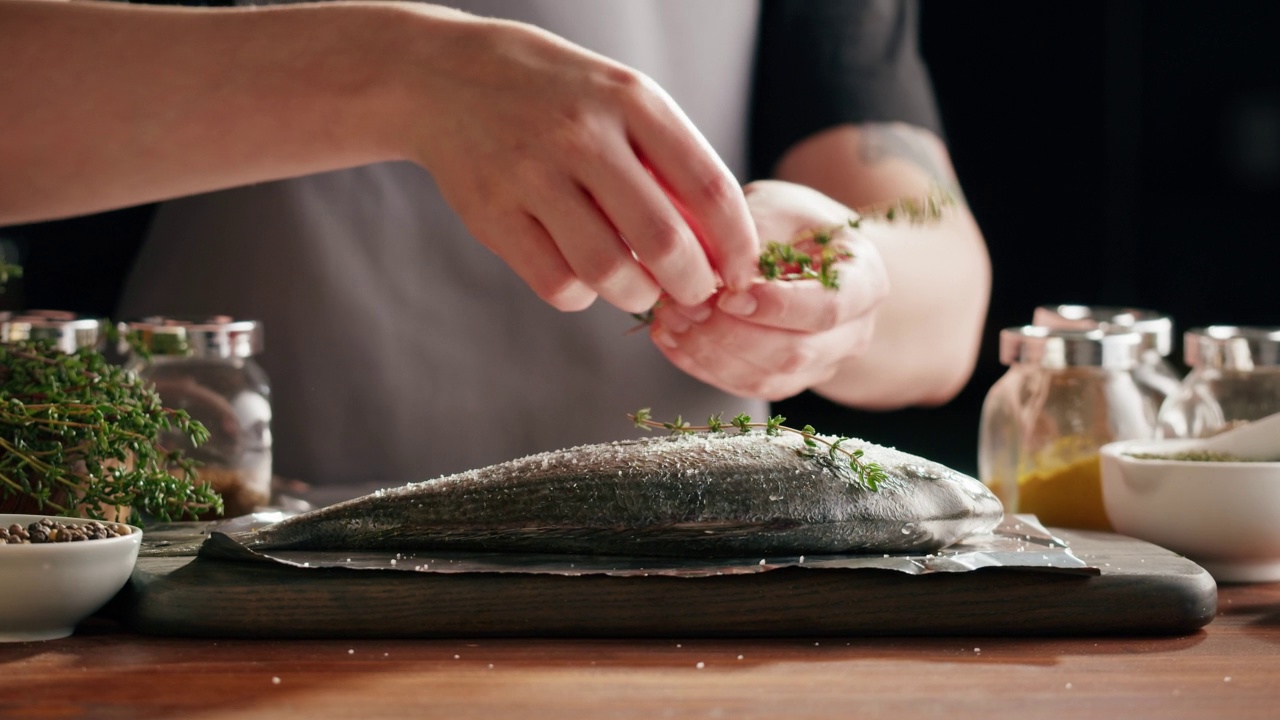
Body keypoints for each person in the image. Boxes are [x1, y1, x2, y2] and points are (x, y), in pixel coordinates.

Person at [0, 0, 990, 496]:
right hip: (191, 573)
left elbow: (936, 276)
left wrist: (845, 269)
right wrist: (411, 76)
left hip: (683, 595)